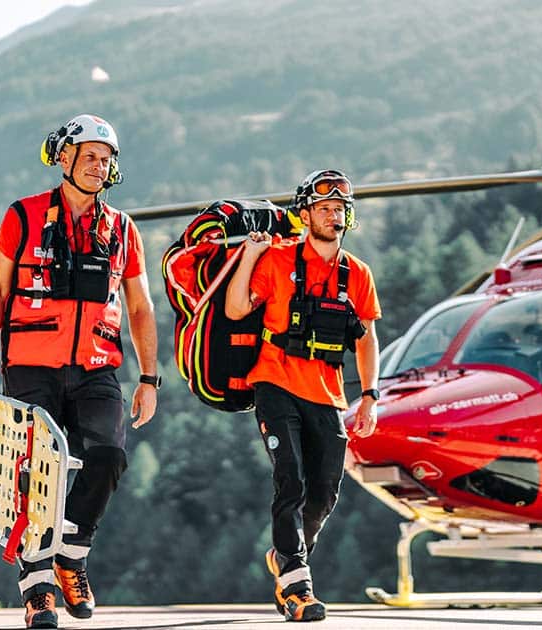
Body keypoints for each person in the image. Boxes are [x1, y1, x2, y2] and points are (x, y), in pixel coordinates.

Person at [0, 114, 160, 629]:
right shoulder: (23, 217)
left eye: (107, 158)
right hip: (31, 367)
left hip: (97, 369)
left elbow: (140, 307)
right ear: (63, 157)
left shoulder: (121, 229)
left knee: (109, 455)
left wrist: (149, 377)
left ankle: (72, 552)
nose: (101, 166)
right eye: (91, 156)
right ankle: (37, 591)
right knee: (34, 473)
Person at [225, 169, 381, 622]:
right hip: (274, 381)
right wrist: (249, 259)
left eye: (340, 209)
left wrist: (369, 394)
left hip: (328, 393)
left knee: (325, 494)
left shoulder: (358, 274)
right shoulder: (276, 260)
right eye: (325, 208)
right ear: (305, 213)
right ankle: (297, 582)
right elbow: (237, 308)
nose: (334, 215)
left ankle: (286, 556)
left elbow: (366, 337)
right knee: (289, 477)